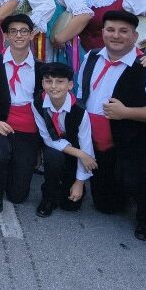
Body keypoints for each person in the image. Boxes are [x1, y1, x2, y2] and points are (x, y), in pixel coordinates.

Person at [78, 10, 146, 241]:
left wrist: (126, 113)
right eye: (110, 30)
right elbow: (83, 95)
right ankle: (121, 189)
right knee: (107, 206)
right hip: (98, 144)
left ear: (134, 36)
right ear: (102, 33)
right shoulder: (91, 57)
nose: (116, 36)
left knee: (136, 179)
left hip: (134, 144)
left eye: (123, 31)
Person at [0, 14, 43, 213]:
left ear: (32, 35)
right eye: (13, 31)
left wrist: (40, 145)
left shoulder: (41, 68)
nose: (19, 35)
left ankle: (15, 167)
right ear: (5, 35)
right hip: (0, 123)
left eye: (24, 31)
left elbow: (47, 108)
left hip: (28, 130)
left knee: (17, 196)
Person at [31, 62, 96, 217]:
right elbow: (48, 138)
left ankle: (74, 183)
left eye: (60, 81)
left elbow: (86, 147)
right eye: (48, 81)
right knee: (53, 156)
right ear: (42, 83)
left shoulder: (80, 112)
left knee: (71, 206)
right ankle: (48, 196)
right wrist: (80, 154)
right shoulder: (38, 103)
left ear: (70, 85)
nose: (54, 86)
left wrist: (80, 182)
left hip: (75, 148)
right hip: (54, 147)